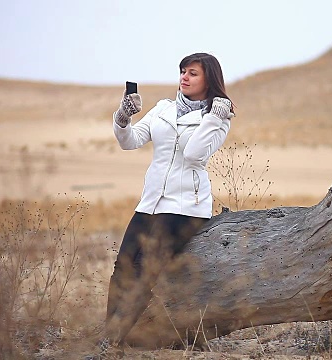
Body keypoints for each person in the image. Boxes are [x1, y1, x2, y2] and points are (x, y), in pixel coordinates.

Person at [99, 52, 233, 355]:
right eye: (183, 71)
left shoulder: (219, 118)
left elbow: (196, 154)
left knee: (147, 269)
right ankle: (109, 336)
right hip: (150, 203)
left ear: (209, 79)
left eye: (193, 73)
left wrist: (212, 116)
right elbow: (129, 140)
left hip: (185, 208)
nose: (184, 77)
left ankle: (117, 339)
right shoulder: (163, 109)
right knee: (123, 266)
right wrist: (123, 115)